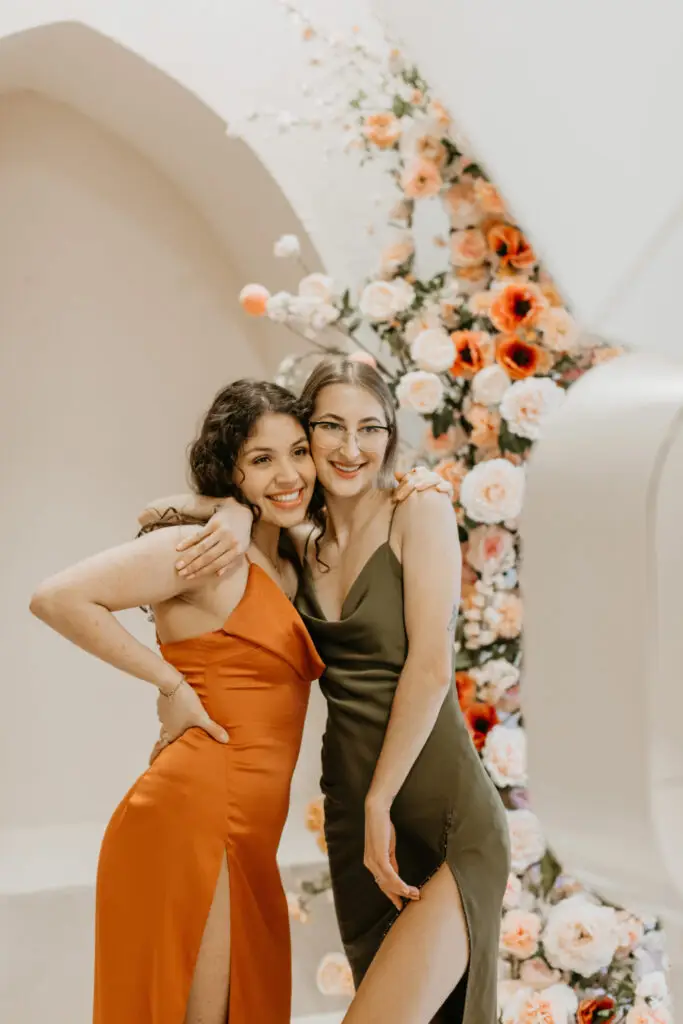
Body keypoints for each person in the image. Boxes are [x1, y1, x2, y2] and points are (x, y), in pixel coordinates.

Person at [143, 356, 510, 1024]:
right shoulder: (295, 543)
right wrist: (230, 511)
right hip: (354, 822)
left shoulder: (417, 509)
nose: (350, 447)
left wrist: (380, 800)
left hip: (440, 812)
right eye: (331, 426)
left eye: (370, 428)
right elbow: (152, 516)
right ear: (305, 433)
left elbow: (430, 668)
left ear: (390, 436)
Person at [29, 380, 327, 1024]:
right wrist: (170, 685)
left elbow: (157, 508)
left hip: (249, 835)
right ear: (229, 468)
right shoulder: (208, 553)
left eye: (298, 451)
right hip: (198, 820)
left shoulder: (286, 558)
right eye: (261, 459)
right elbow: (56, 598)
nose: (288, 475)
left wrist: (234, 509)